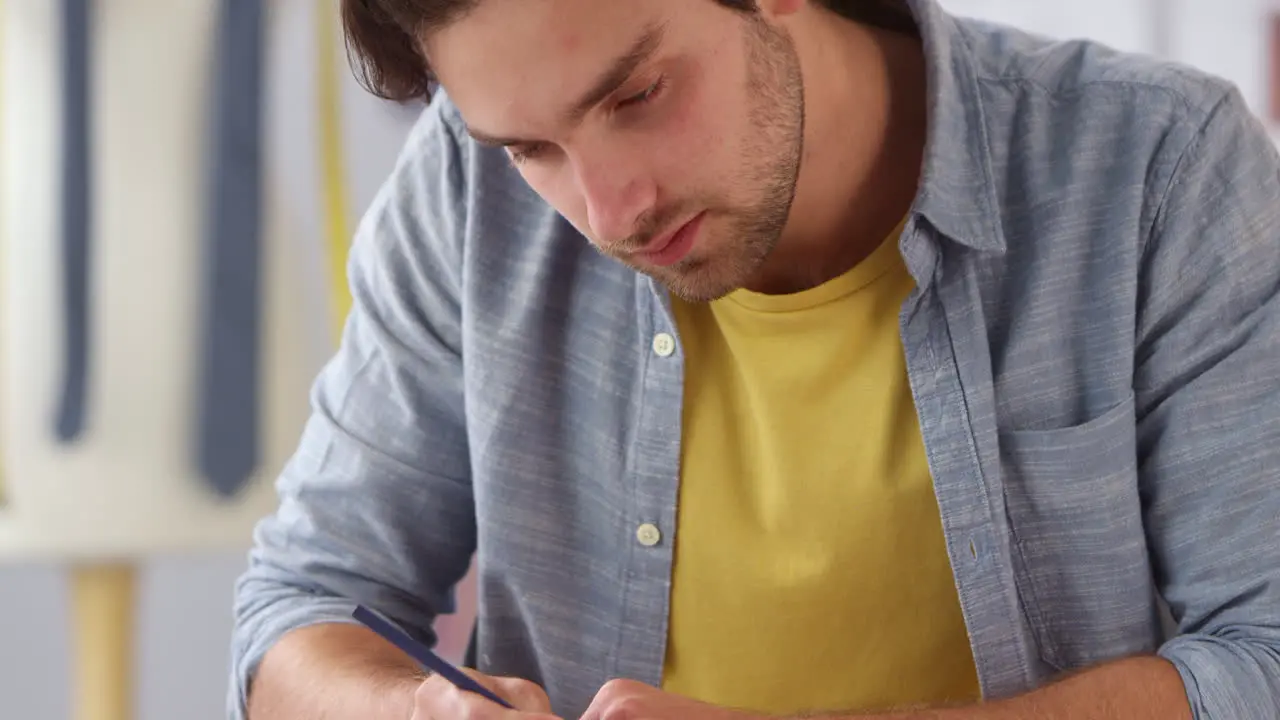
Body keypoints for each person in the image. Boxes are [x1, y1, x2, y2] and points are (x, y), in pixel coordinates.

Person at [229, 0, 1280, 718]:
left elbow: (1260, 657)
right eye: (530, 147)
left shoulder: (1157, 170)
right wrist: (399, 707)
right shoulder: (463, 189)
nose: (607, 212)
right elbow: (298, 605)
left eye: (635, 94)